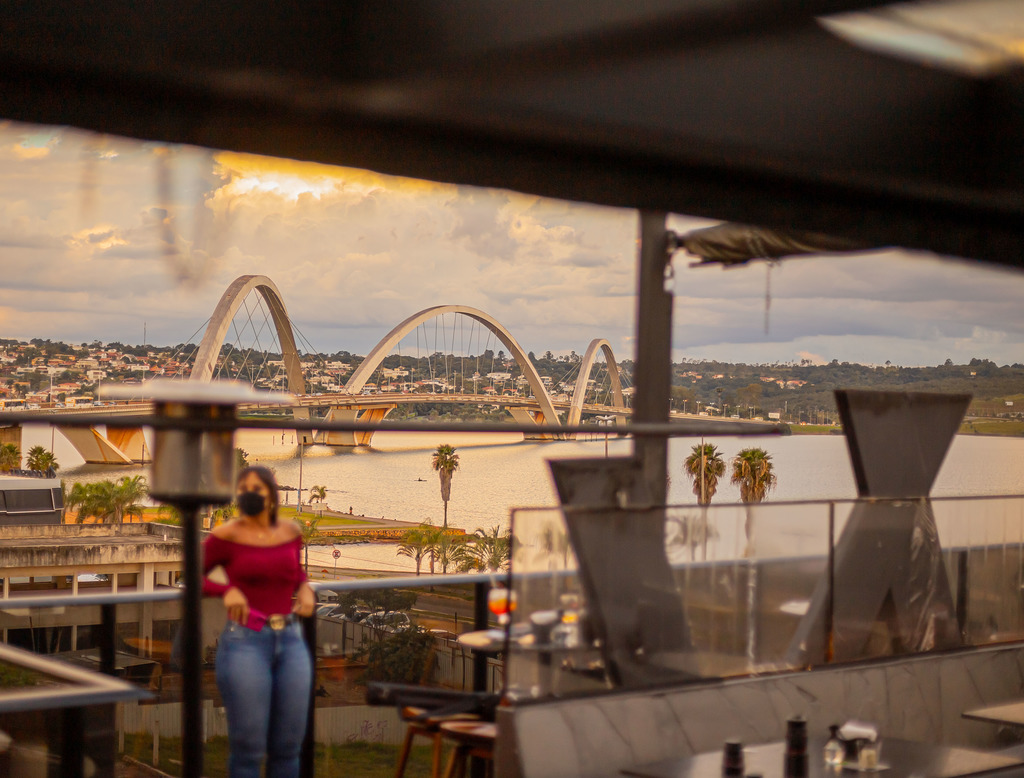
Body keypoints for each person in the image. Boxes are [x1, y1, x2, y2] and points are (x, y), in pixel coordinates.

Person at [203, 465, 315, 778]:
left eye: (257, 488)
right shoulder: (226, 536)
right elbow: (194, 575)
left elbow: (295, 573)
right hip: (245, 643)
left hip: (291, 641)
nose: (250, 494)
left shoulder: (290, 532)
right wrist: (226, 591)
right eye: (244, 489)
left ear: (271, 495)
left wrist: (304, 588)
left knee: (289, 746)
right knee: (248, 748)